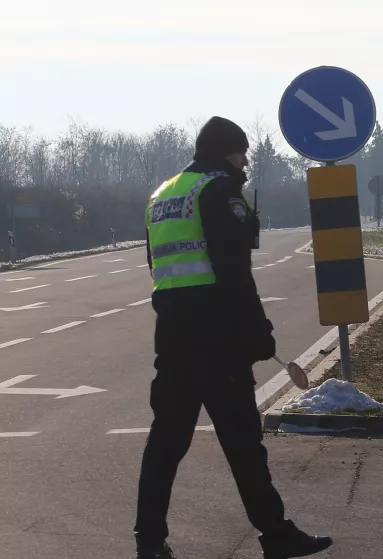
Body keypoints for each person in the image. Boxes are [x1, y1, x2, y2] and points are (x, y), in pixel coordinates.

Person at [136, 116, 333, 559]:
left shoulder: (162, 195)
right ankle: (276, 535)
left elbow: (157, 268)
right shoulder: (218, 189)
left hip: (171, 337)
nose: (245, 160)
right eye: (241, 152)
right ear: (225, 151)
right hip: (217, 339)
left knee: (165, 443)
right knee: (244, 444)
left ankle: (148, 541)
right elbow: (233, 273)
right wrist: (258, 332)